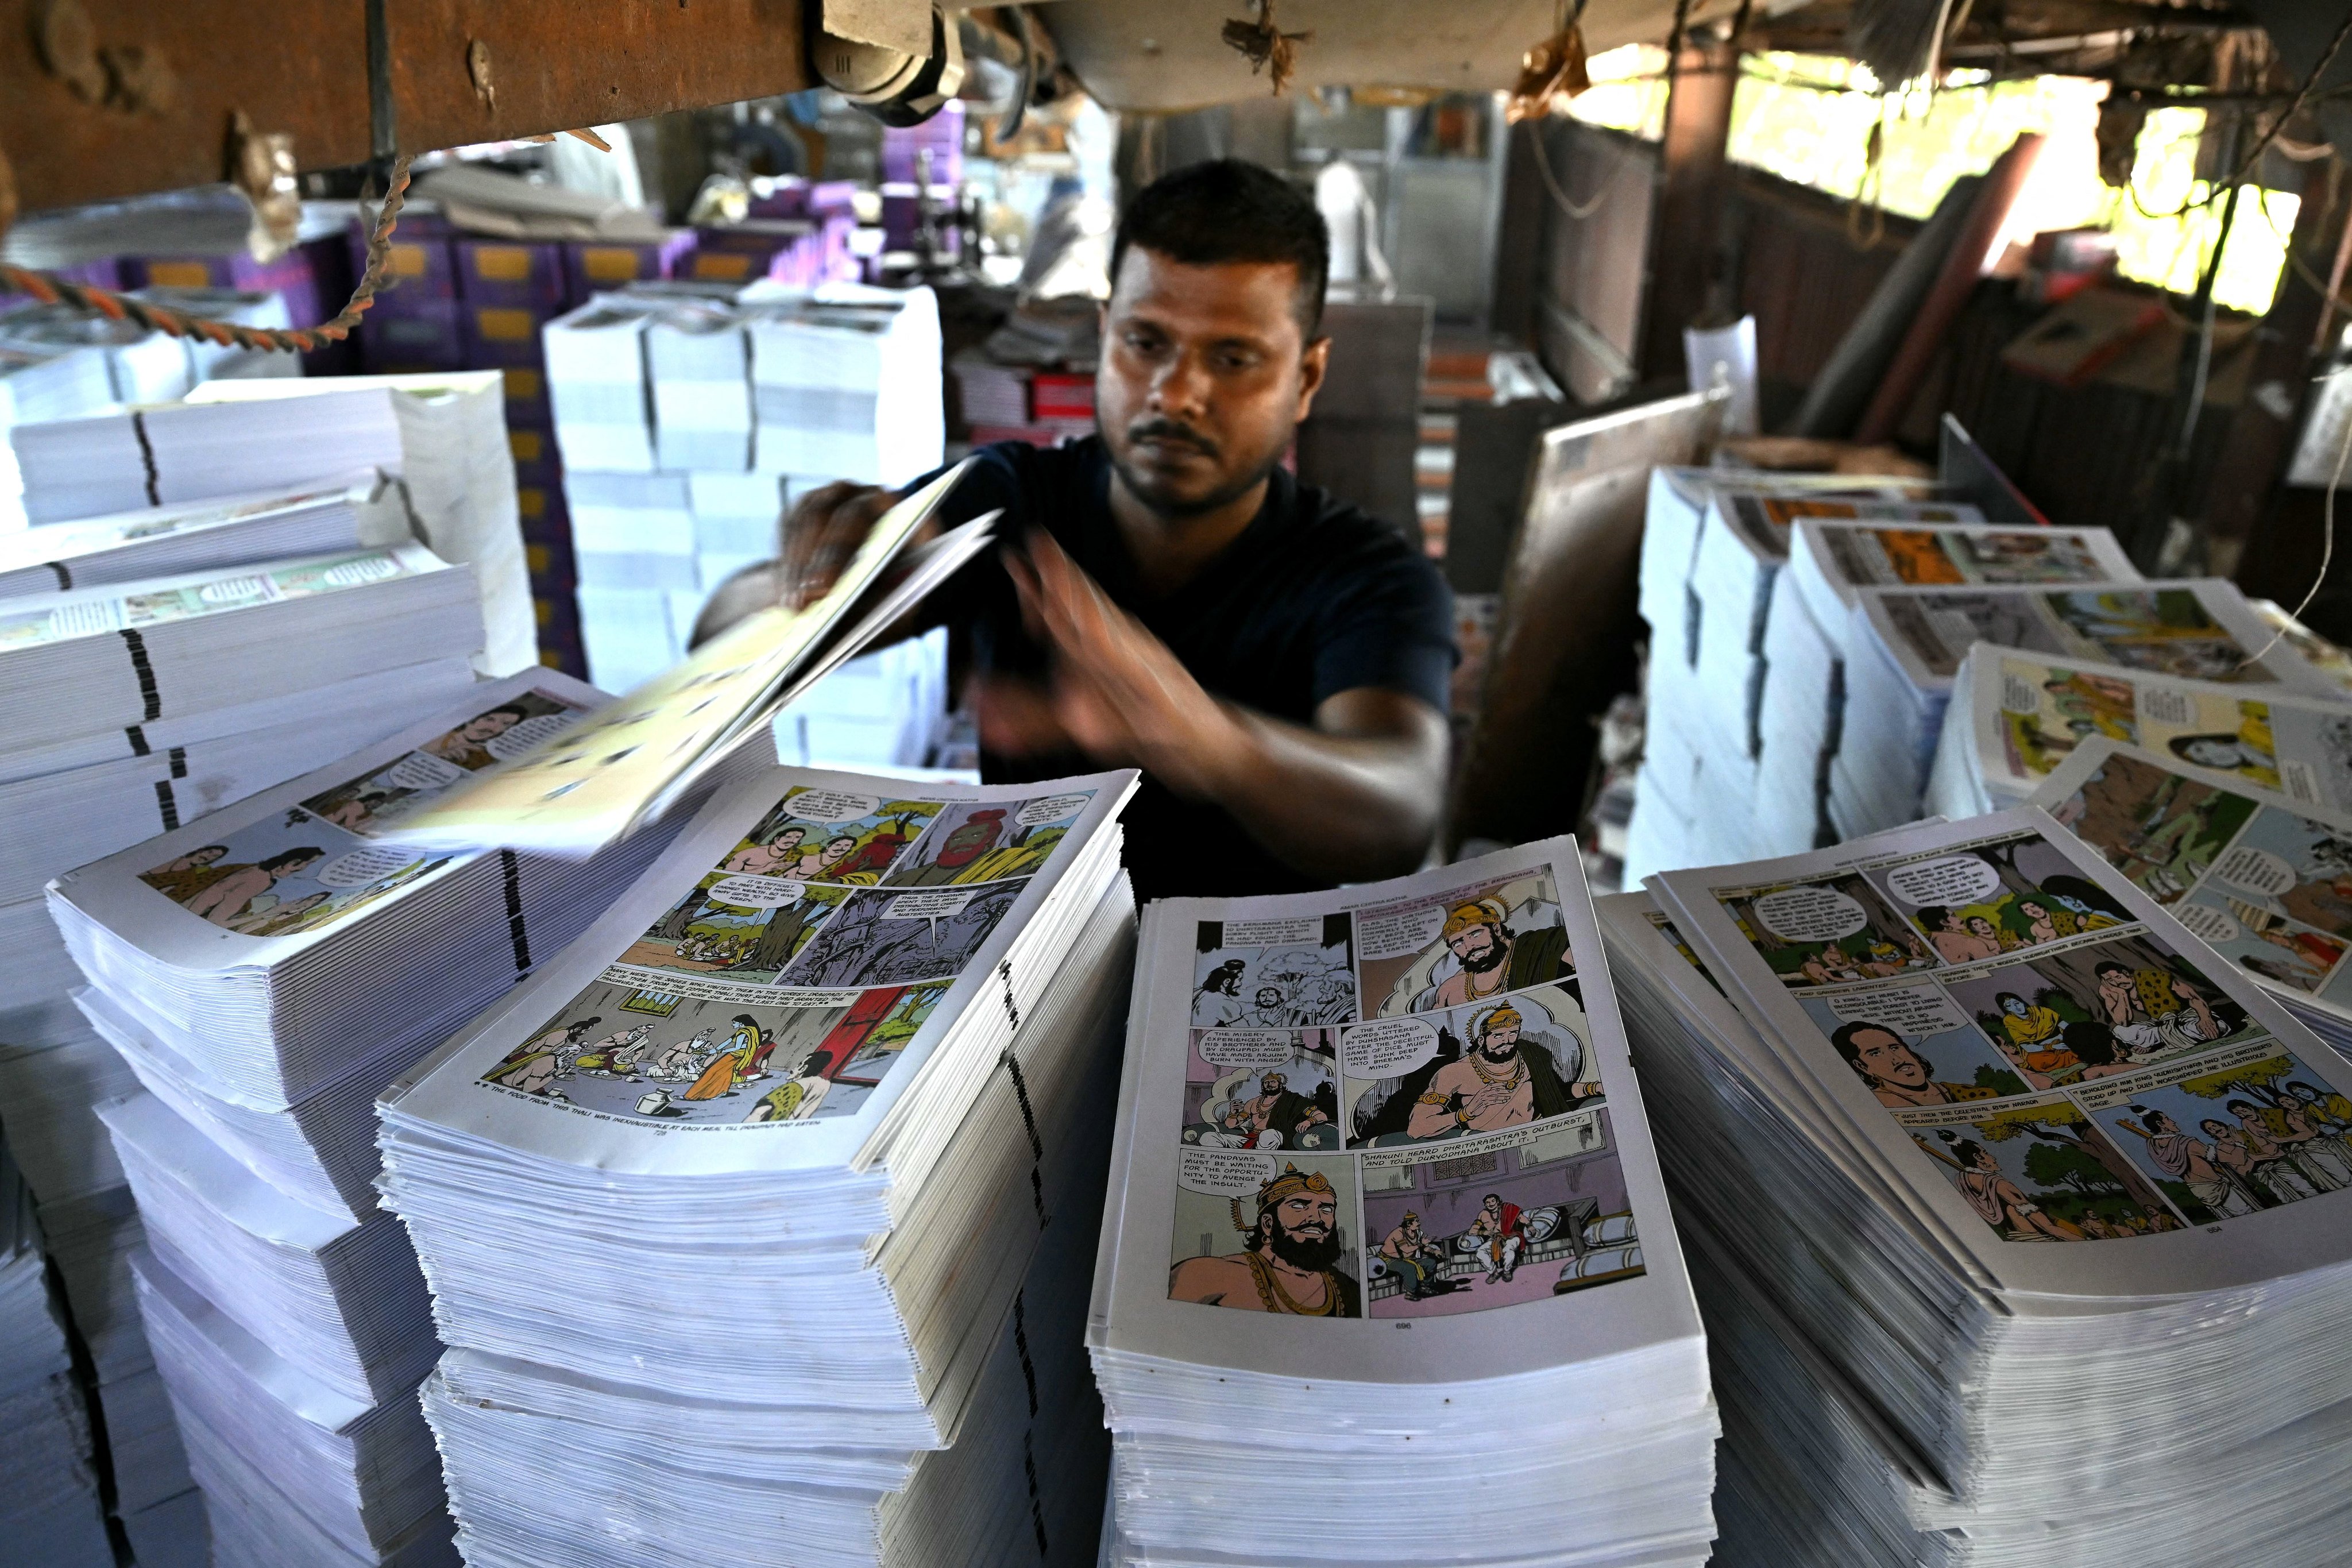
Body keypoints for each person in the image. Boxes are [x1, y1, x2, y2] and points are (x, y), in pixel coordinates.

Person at [695, 160, 1454, 901]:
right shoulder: (1008, 499)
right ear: (1104, 336)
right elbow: (728, 641)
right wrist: (810, 584)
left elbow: (1400, 811)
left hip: (1240, 988)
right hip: (1022, 971)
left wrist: (1209, 739)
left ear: (1306, 379)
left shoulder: (1366, 572)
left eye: (1232, 358)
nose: (1175, 392)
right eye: (1145, 343)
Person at [1169, 1163, 1360, 1315]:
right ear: (1268, 1224)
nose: (1316, 1218)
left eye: (1326, 1209)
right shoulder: (1205, 1273)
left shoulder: (1347, 1288)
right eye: (1300, 1206)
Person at [1405, 1001, 1598, 1139]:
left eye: (1512, 1033)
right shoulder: (1453, 1073)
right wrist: (1467, 1112)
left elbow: (1559, 1091)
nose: (1507, 1041)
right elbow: (1416, 1128)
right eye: (1498, 1036)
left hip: (1537, 1135)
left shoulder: (1530, 1057)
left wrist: (1594, 1088)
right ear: (1481, 1040)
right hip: (1484, 1142)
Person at [1408, 898, 1572, 1010]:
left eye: (1475, 934)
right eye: (1458, 943)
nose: (1469, 946)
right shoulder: (1450, 990)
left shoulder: (1543, 946)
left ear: (1497, 929)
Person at [1830, 1021, 1999, 1108]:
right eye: (1876, 1053)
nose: (1896, 1058)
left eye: (1895, 1047)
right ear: (1862, 1067)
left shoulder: (1977, 1094)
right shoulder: (1873, 1107)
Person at [180, 847, 324, 928]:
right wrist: (266, 915)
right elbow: (217, 923)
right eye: (308, 863)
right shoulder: (260, 880)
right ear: (294, 863)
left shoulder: (255, 871)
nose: (306, 868)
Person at [1377, 1211, 1446, 1301]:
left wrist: (1434, 1251)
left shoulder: (1417, 1233)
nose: (1419, 1223)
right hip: (1390, 1260)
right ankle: (1410, 1293)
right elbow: (1406, 1249)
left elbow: (1423, 1247)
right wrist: (1421, 1244)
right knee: (1409, 1268)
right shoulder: (1398, 1233)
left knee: (1430, 1263)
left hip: (1408, 1258)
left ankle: (1424, 1287)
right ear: (1409, 1224)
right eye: (1417, 1221)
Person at [1468, 1192, 1527, 1282]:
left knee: (1509, 1250)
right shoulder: (1483, 1214)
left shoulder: (1507, 1209)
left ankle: (1507, 1271)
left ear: (1498, 1201)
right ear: (1485, 1204)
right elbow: (1472, 1231)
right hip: (1495, 1239)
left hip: (1511, 1236)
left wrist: (1530, 1225)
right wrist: (1485, 1232)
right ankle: (1493, 1273)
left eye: (1493, 1201)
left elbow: (1521, 1218)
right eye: (1488, 1203)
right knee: (1480, 1252)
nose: (1490, 1204)